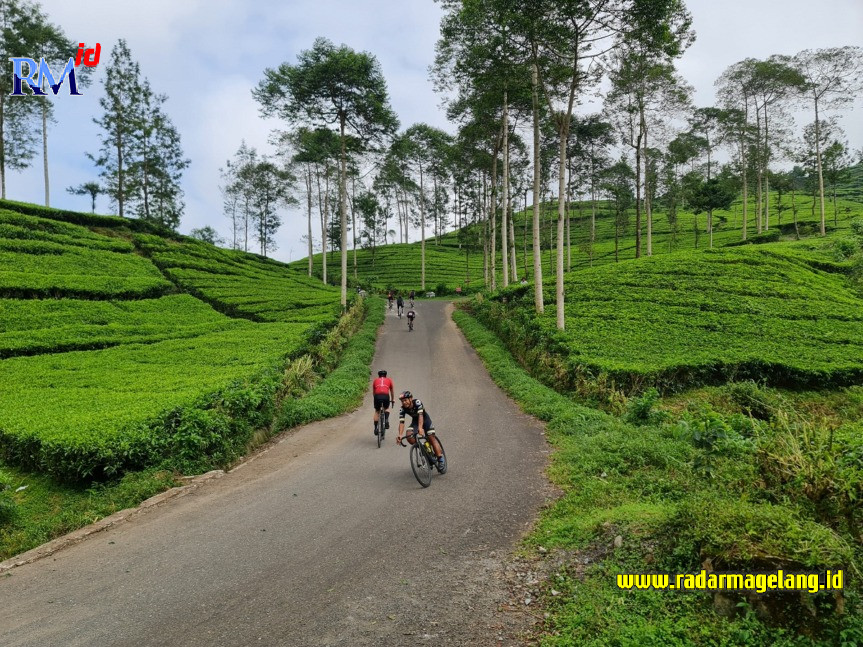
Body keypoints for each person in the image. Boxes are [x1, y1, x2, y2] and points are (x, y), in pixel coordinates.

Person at [396, 390, 445, 472]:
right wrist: (400, 435)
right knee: (409, 436)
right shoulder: (402, 409)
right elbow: (401, 422)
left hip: (425, 420)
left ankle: (440, 459)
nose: (404, 403)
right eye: (402, 401)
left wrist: (420, 428)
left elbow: (421, 416)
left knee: (431, 438)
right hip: (415, 422)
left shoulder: (417, 402)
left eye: (405, 400)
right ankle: (424, 448)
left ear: (411, 399)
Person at [372, 370, 395, 436]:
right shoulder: (389, 380)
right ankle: (386, 420)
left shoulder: (375, 380)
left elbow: (374, 392)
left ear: (378, 375)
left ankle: (376, 428)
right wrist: (393, 399)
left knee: (377, 411)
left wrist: (376, 399)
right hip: (385, 396)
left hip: (377, 396)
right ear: (386, 375)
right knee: (387, 408)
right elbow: (392, 391)